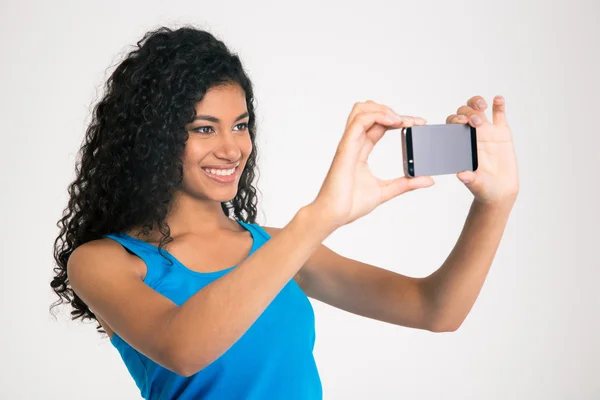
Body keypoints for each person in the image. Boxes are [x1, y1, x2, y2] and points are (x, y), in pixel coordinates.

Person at [50, 25, 519, 400]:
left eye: (240, 125)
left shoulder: (279, 247)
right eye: (204, 129)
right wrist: (319, 217)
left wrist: (494, 203)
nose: (232, 148)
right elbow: (184, 348)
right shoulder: (103, 262)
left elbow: (434, 309)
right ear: (153, 139)